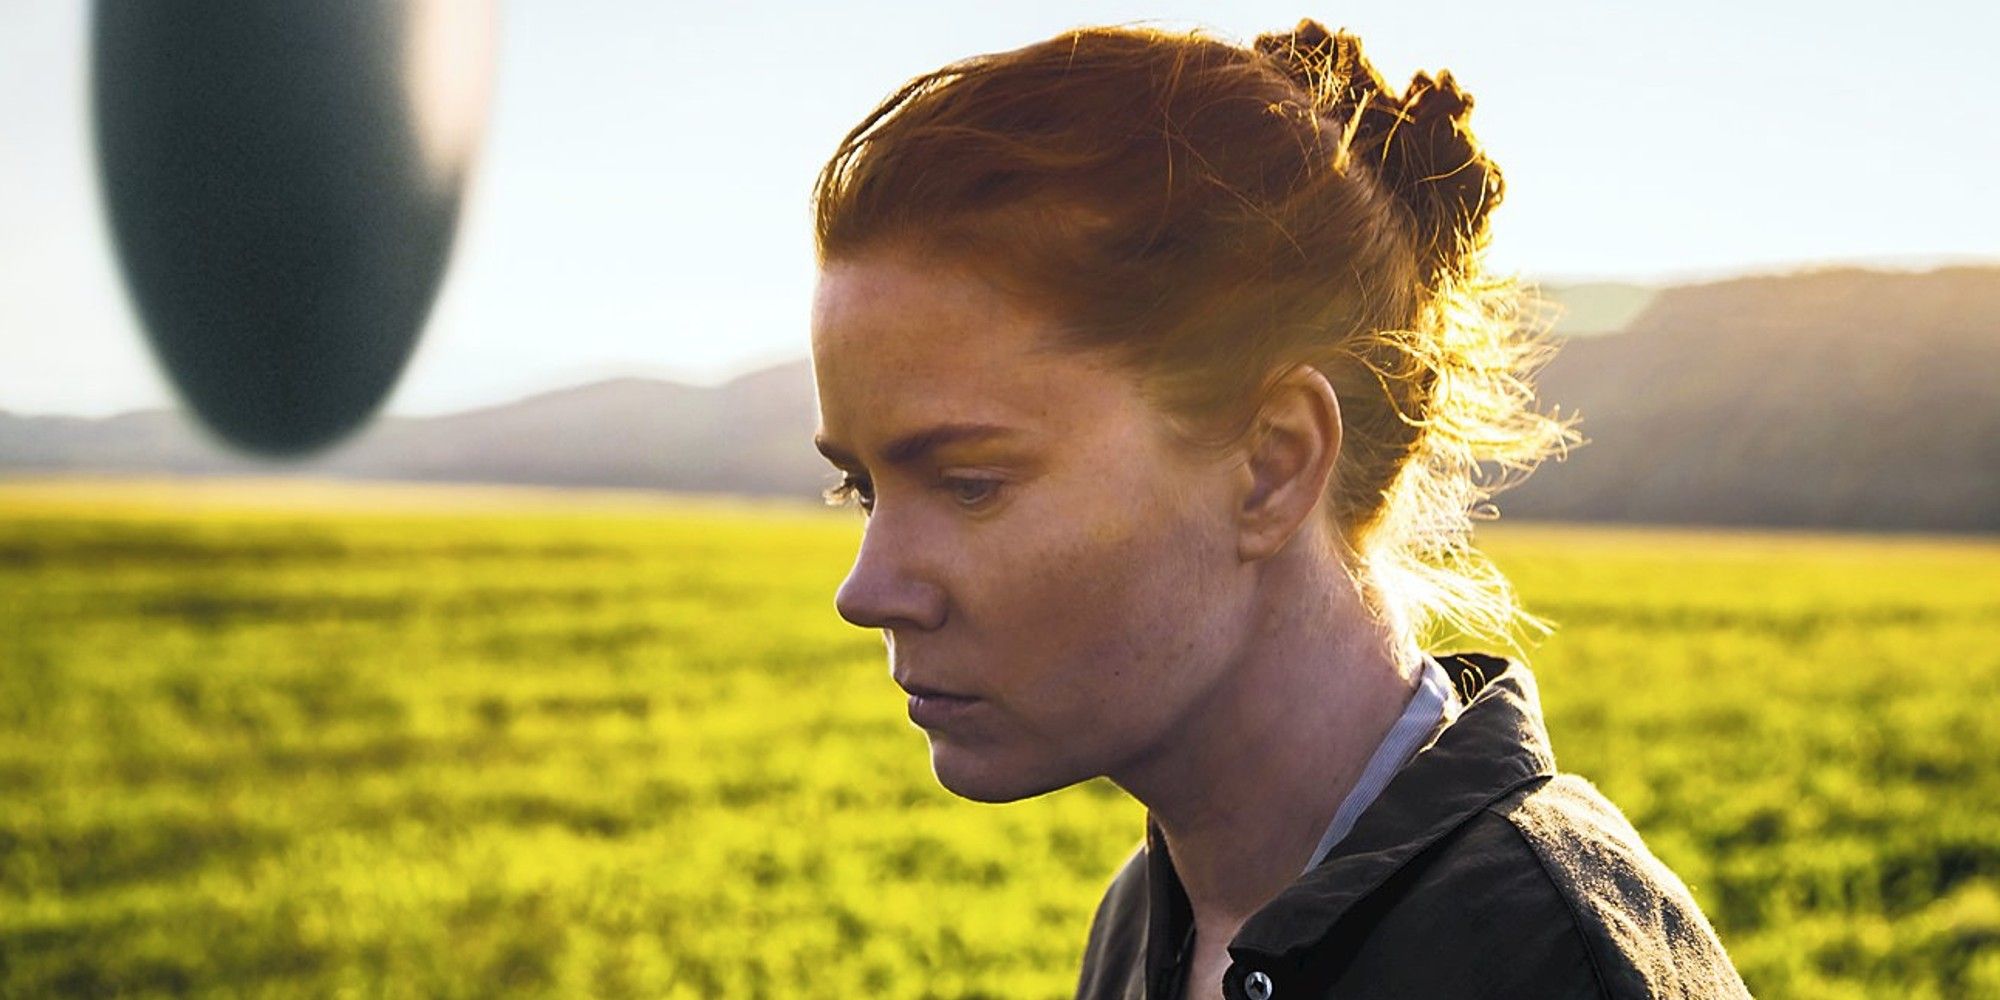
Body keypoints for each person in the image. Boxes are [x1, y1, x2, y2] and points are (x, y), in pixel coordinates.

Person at [807, 17, 1750, 1000]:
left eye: (968, 483)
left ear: (1269, 464)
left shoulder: (1544, 964)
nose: (866, 589)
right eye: (860, 486)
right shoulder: (1150, 916)